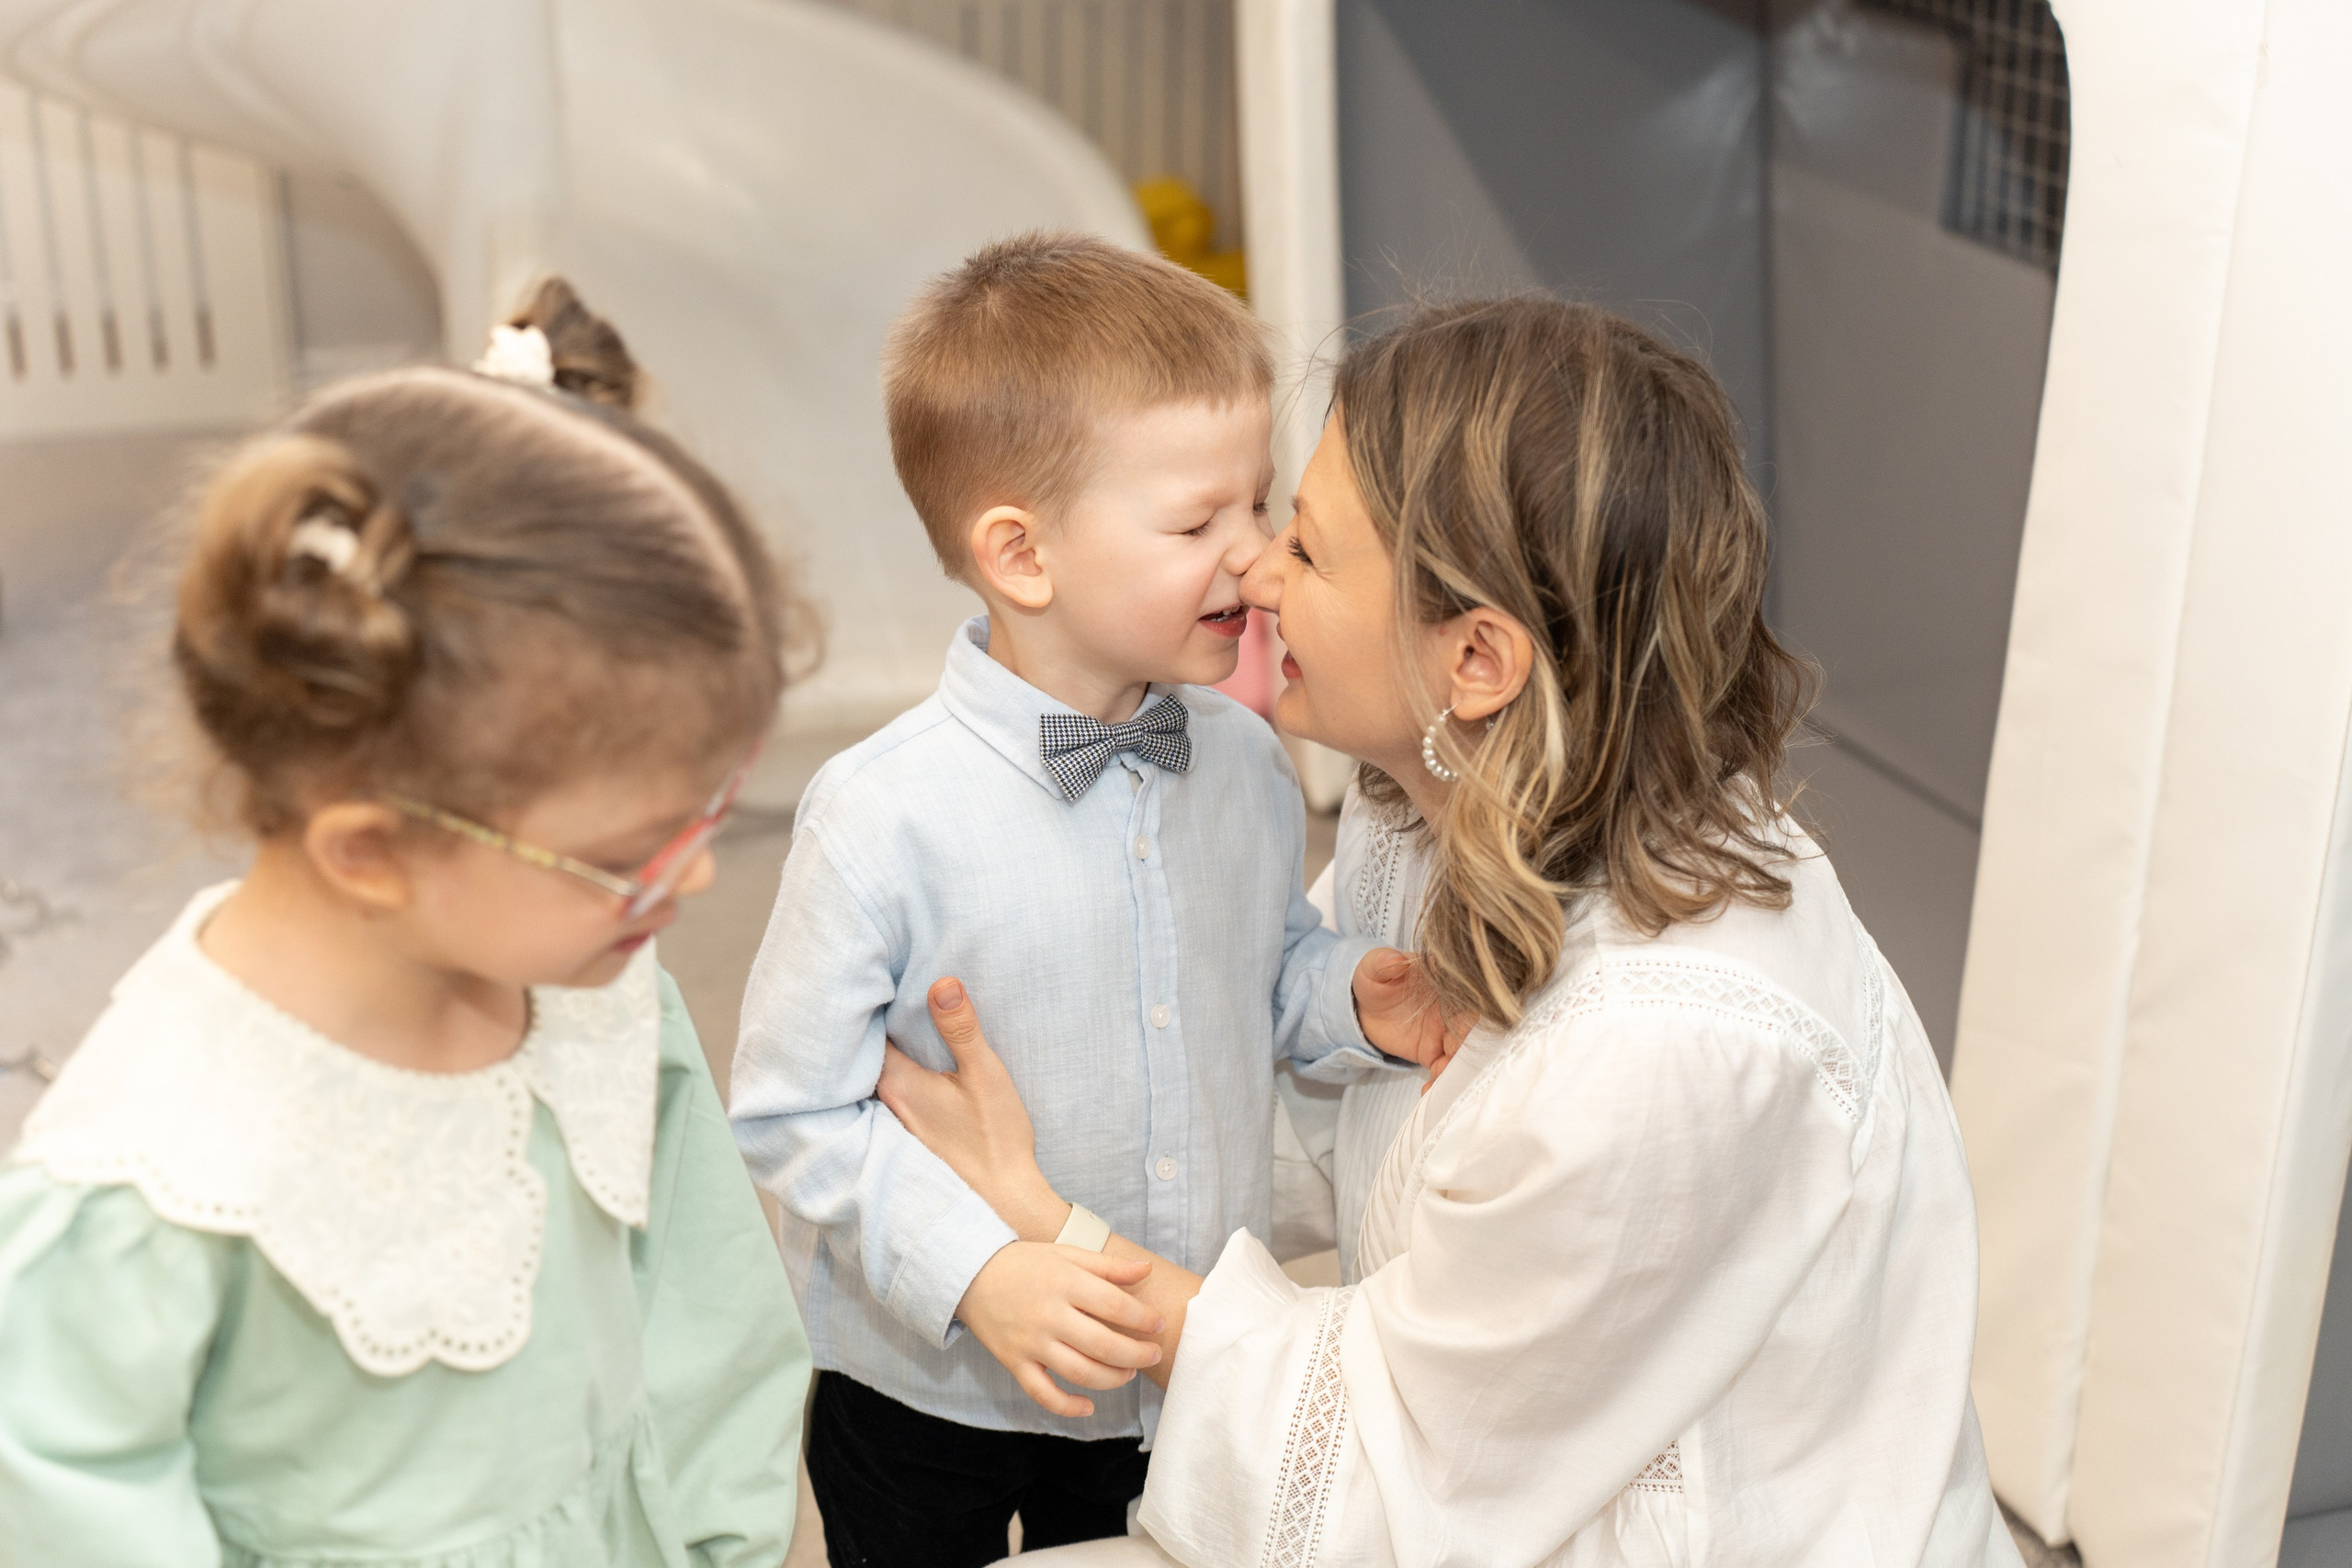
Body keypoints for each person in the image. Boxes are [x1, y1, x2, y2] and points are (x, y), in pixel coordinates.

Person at [878, 297, 2029, 1566]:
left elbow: (1378, 1493)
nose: (1255, 572)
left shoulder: (1666, 1051)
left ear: (1478, 658)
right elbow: (1286, 1111)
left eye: (1305, 551)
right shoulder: (1432, 811)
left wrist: (1048, 1222)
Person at [0, 280, 812, 1567]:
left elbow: (711, 1314)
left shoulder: (591, 969)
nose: (693, 885)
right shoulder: (151, 1176)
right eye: (628, 856)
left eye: (705, 821)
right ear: (372, 848)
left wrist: (731, 1538)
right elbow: (73, 1502)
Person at [727, 232, 1452, 1567]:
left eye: (1260, 505)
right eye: (1198, 524)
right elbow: (792, 1110)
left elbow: (1259, 960)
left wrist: (1348, 991)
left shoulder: (1239, 757)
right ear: (1022, 555)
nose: (1257, 558)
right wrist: (975, 1271)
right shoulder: (881, 816)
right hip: (927, 1382)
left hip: (1162, 1363)